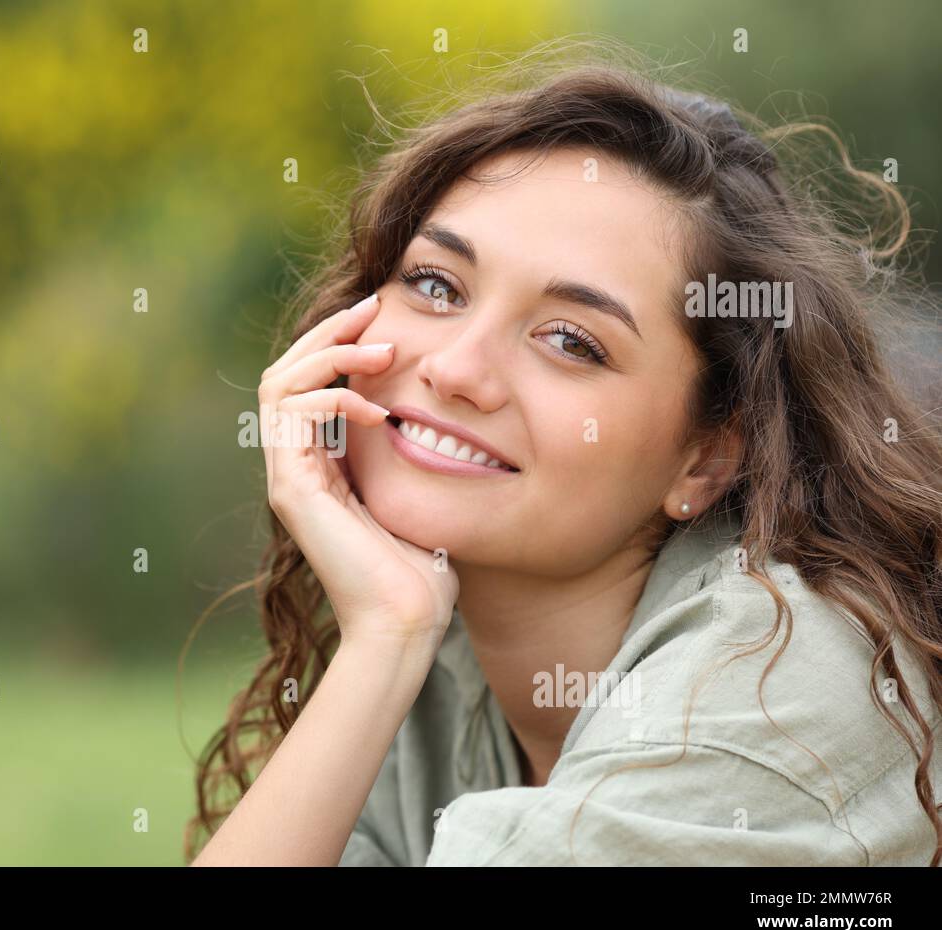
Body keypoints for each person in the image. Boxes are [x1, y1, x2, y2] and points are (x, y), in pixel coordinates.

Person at [185, 44, 942, 866]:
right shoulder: (433, 643)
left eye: (573, 341)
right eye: (437, 285)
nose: (455, 369)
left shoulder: (768, 698)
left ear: (706, 459)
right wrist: (387, 637)